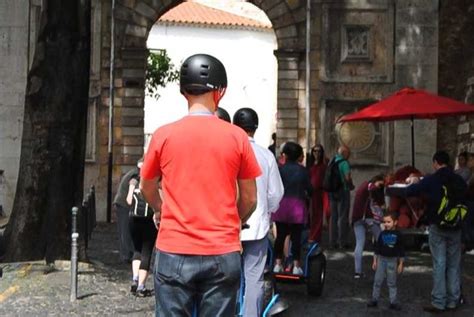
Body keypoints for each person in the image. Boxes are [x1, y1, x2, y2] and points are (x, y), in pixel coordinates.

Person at [140, 54, 261, 316]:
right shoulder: (237, 137)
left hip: (173, 248)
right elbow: (251, 198)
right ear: (220, 91)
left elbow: (147, 187)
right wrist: (234, 220)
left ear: (184, 91)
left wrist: (162, 209)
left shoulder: (163, 135)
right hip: (222, 249)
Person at [233, 108, 284, 316]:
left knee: (229, 278)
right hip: (257, 227)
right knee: (254, 279)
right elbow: (276, 192)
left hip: (229, 226)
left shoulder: (228, 152)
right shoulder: (266, 156)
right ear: (256, 128)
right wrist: (267, 211)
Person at [406, 150, 466, 312]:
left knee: (440, 263)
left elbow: (409, 191)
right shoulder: (459, 180)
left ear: (435, 162)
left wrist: (416, 181)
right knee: (454, 264)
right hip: (456, 226)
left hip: (437, 226)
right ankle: (453, 300)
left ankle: (439, 301)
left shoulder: (432, 179)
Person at [272, 141, 312, 275]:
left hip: (282, 205)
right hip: (297, 206)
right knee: (296, 237)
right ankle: (296, 265)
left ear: (286, 155)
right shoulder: (303, 170)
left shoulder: (280, 169)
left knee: (280, 236)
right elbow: (309, 189)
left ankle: (277, 264)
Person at [126, 162, 158, 297]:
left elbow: (128, 200)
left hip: (134, 219)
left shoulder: (133, 181)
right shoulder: (154, 182)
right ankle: (141, 286)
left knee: (137, 249)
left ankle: (134, 279)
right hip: (148, 220)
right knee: (146, 251)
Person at [367, 211, 405, 311]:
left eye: (389, 222)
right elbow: (377, 248)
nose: (386, 224)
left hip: (392, 261)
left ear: (395, 222)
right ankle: (374, 299)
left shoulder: (398, 235)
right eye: (385, 222)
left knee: (392, 282)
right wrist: (375, 261)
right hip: (381, 260)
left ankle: (393, 301)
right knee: (377, 281)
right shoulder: (382, 234)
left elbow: (401, 250)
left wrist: (401, 263)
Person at [352, 174, 385, 279]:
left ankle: (358, 272)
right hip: (368, 218)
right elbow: (375, 193)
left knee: (359, 243)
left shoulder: (363, 186)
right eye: (381, 184)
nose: (381, 187)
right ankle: (383, 268)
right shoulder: (370, 186)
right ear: (376, 180)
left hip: (357, 218)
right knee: (381, 239)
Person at [329, 145, 354, 249]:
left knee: (333, 217)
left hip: (332, 192)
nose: (349, 155)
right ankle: (342, 242)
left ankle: (332, 242)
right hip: (342, 191)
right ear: (344, 154)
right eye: (348, 153)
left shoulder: (332, 161)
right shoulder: (344, 163)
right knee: (342, 217)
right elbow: (347, 178)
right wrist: (351, 185)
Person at [113, 163, 139, 263]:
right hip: (123, 204)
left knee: (125, 229)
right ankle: (125, 256)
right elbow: (133, 184)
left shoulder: (134, 172)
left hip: (122, 203)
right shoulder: (136, 174)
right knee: (125, 229)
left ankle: (127, 254)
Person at [308, 144, 328, 243]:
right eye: (315, 151)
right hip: (311, 192)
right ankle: (312, 234)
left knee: (318, 214)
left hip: (320, 192)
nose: (317, 153)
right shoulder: (311, 165)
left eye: (319, 151)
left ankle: (315, 236)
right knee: (312, 214)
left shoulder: (323, 166)